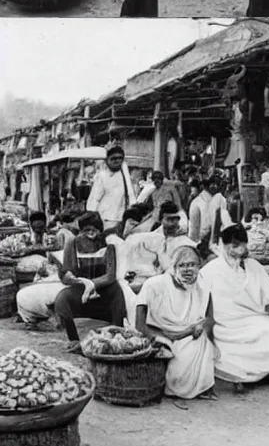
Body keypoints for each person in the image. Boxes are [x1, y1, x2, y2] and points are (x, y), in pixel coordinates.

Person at [199, 225, 269, 392]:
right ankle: (241, 377)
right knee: (225, 344)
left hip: (253, 317)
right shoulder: (209, 270)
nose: (237, 249)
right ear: (224, 245)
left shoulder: (254, 266)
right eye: (232, 245)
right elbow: (202, 303)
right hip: (224, 322)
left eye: (240, 244)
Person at [133, 243, 217, 400]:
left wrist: (202, 327)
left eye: (192, 265)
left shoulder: (203, 286)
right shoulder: (154, 284)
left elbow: (210, 317)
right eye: (182, 265)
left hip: (190, 335)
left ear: (199, 266)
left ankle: (203, 389)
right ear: (174, 267)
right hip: (157, 334)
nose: (187, 269)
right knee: (176, 363)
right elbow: (139, 325)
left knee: (200, 345)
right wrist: (159, 338)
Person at [51, 213, 125, 352]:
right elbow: (68, 270)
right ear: (80, 230)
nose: (91, 234)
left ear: (100, 230)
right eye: (86, 230)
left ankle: (116, 338)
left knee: (118, 294)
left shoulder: (108, 244)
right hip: (81, 287)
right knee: (62, 299)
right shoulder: (72, 243)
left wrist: (92, 284)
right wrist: (68, 276)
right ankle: (74, 340)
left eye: (94, 230)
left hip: (105, 288)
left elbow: (110, 276)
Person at [87, 146, 150, 226]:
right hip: (105, 219)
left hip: (121, 219)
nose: (117, 161)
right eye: (113, 158)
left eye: (120, 158)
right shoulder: (102, 176)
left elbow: (130, 194)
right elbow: (94, 199)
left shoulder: (125, 174)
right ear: (107, 160)